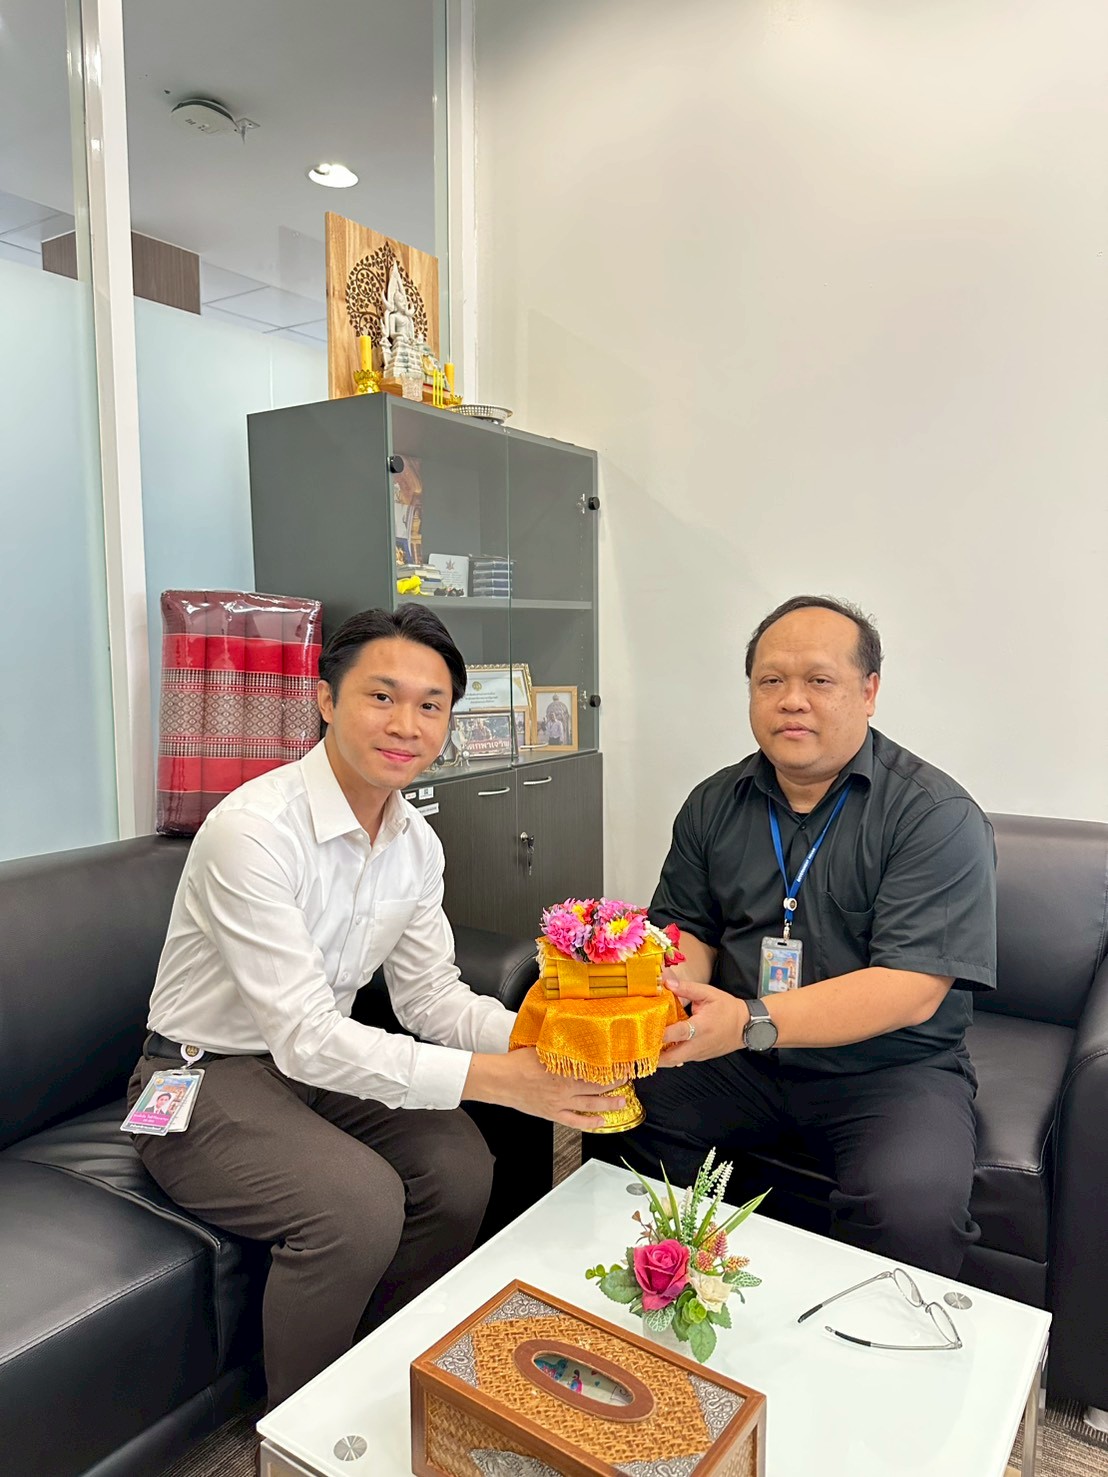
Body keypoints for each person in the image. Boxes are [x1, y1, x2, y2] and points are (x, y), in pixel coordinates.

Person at [126, 604, 620, 1407]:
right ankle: (300, 1431)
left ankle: (376, 1372)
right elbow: (306, 1035)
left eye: (431, 705)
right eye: (381, 696)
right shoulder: (252, 832)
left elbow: (431, 997)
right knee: (355, 1205)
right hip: (201, 1074)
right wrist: (502, 1080)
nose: (406, 724)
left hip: (313, 1065)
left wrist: (554, 1035)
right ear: (326, 699)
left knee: (461, 1168)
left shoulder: (415, 843)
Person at [612, 595, 996, 1279]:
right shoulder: (713, 802)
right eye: (771, 680)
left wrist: (749, 1020)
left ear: (869, 691)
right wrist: (673, 985)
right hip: (741, 1058)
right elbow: (686, 927)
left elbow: (909, 988)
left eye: (819, 680)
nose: (792, 700)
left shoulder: (935, 815)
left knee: (912, 1206)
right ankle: (657, 1298)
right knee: (619, 1108)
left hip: (887, 1067)